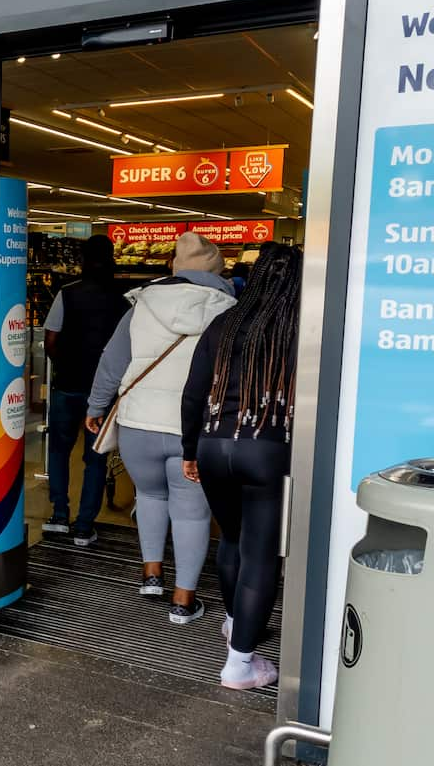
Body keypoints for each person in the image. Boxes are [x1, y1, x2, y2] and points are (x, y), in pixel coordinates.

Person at [85, 232, 236, 625]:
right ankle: (184, 600)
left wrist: (97, 405)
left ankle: (151, 575)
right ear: (218, 272)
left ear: (174, 266)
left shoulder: (143, 302)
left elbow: (113, 360)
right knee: (191, 513)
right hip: (194, 429)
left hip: (139, 422)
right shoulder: (229, 310)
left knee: (150, 496)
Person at [181, 244, 302, 690]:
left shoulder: (223, 325)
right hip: (266, 447)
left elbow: (193, 393)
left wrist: (189, 449)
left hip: (214, 445)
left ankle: (235, 624)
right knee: (260, 554)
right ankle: (239, 664)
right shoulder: (298, 329)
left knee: (230, 538)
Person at [41, 235, 129, 546]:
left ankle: (58, 515)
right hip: (103, 393)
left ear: (82, 260)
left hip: (68, 385)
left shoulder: (67, 294)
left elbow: (50, 342)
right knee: (95, 458)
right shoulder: (125, 301)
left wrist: (67, 365)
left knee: (59, 450)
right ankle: (84, 525)